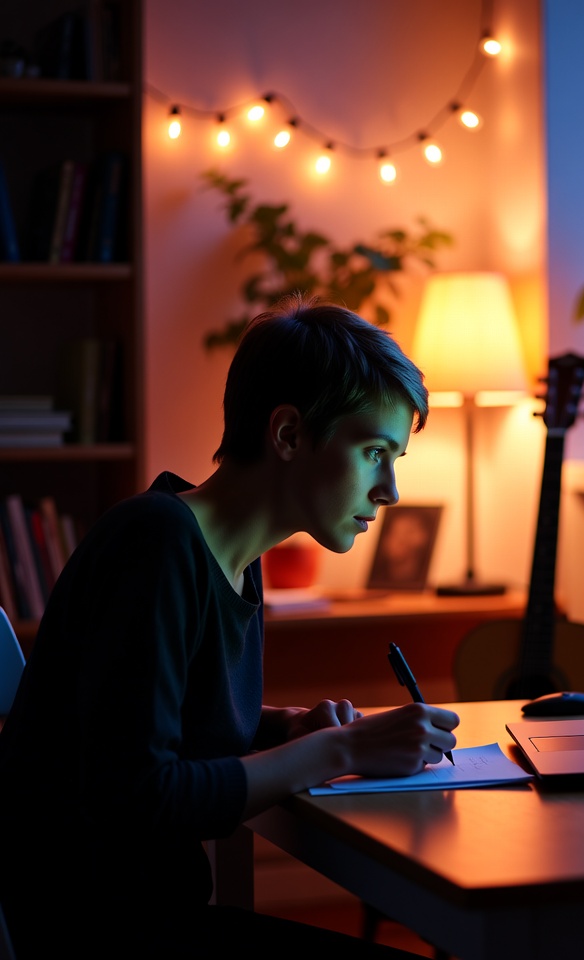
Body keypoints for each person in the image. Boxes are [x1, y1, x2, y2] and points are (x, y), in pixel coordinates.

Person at [0, 296, 459, 958]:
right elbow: (135, 794)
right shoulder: (155, 544)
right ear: (289, 434)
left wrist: (284, 725)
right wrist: (342, 752)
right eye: (373, 452)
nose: (388, 489)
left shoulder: (232, 560)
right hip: (93, 931)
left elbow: (157, 717)